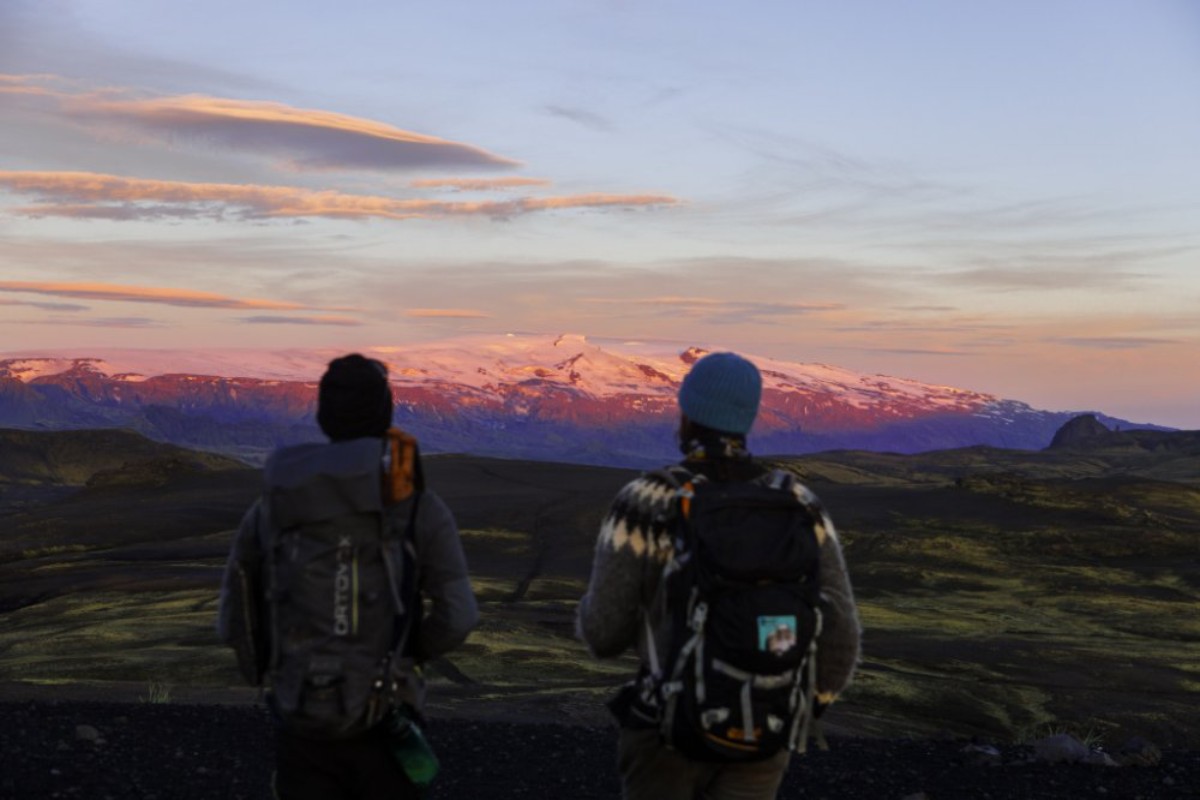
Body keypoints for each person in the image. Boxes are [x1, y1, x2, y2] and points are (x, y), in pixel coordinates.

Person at [577, 351, 861, 800]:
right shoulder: (799, 502)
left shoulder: (645, 500)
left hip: (665, 732)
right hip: (763, 735)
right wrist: (797, 704)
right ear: (747, 419)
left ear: (687, 413)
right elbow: (841, 629)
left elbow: (603, 634)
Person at [218, 353, 478, 800]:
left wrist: (275, 674)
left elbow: (233, 617)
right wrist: (408, 652)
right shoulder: (417, 506)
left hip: (299, 715)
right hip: (387, 717)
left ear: (322, 414)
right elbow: (458, 616)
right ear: (386, 412)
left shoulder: (273, 507)